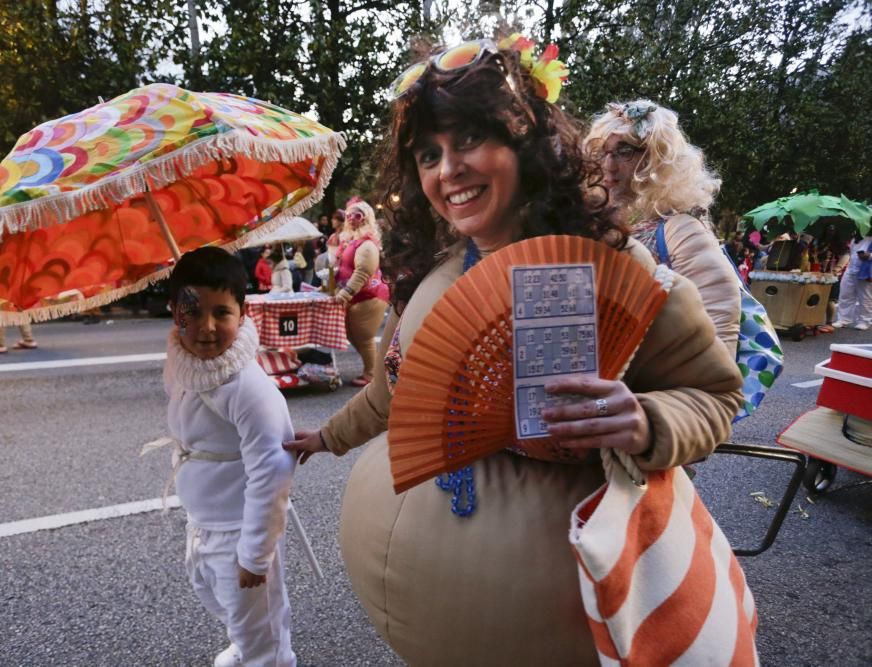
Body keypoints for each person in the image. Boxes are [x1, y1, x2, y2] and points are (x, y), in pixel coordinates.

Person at [283, 35, 742, 665]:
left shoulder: (617, 270)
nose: (448, 170)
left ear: (528, 144)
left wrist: (646, 420)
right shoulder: (435, 273)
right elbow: (395, 394)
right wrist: (327, 437)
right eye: (428, 154)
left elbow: (715, 396)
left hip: (563, 624)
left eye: (469, 139)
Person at [163, 246, 296, 667]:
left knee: (261, 626)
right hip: (203, 522)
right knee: (227, 603)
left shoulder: (247, 387)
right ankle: (246, 644)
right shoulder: (183, 364)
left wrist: (255, 554)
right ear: (173, 311)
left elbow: (271, 473)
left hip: (240, 528)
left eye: (221, 312)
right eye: (192, 310)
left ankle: (266, 657)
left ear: (243, 313)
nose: (205, 327)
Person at [585, 100, 741, 357]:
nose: (608, 166)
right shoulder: (602, 223)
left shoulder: (681, 230)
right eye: (603, 152)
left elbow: (720, 338)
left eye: (625, 151)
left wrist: (688, 395)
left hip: (659, 386)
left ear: (657, 159)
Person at [334, 198, 389, 386]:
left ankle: (372, 374)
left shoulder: (367, 244)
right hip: (358, 297)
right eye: (349, 215)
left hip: (369, 297)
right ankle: (373, 370)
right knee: (354, 335)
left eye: (357, 215)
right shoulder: (355, 241)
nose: (351, 219)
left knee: (364, 337)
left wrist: (345, 293)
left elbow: (363, 272)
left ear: (366, 218)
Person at [832, 232, 872, 330]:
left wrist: (869, 256)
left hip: (865, 271)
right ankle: (843, 319)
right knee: (845, 294)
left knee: (865, 298)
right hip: (851, 270)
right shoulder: (855, 238)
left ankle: (864, 321)